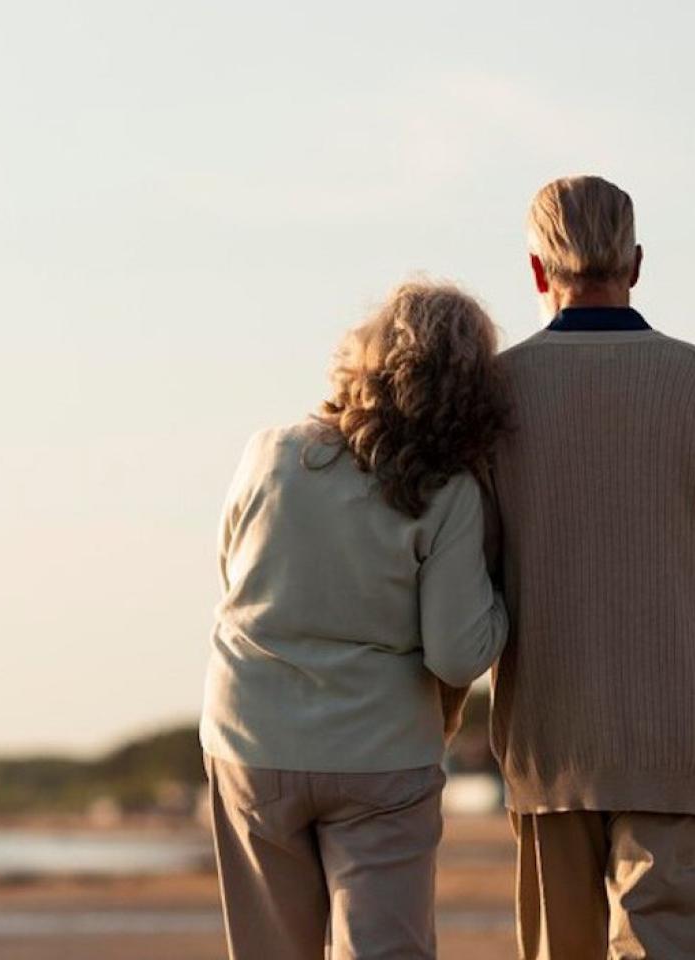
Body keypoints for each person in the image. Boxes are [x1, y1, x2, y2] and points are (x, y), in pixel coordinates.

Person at [490, 175, 695, 960]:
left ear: (535, 271)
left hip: (551, 741)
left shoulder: (495, 394)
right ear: (636, 260)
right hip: (685, 739)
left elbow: (473, 581)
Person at [200, 281, 511, 959]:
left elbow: (233, 575)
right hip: (381, 755)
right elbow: (458, 656)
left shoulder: (269, 452)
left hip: (252, 739)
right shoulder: (448, 491)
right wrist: (504, 602)